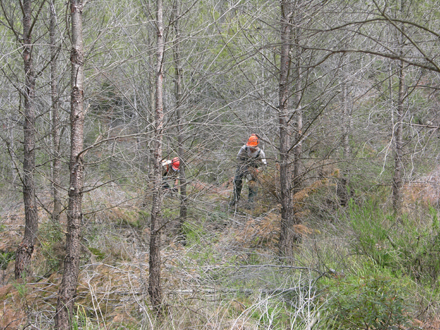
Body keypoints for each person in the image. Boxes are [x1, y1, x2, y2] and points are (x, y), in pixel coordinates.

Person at [229, 134, 267, 207]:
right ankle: (235, 199)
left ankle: (251, 203)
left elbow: (264, 165)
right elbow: (238, 158)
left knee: (252, 185)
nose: (250, 148)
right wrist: (243, 167)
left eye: (252, 147)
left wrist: (257, 171)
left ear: (256, 145)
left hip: (252, 171)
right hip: (242, 168)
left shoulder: (260, 153)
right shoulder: (244, 148)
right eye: (249, 146)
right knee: (237, 181)